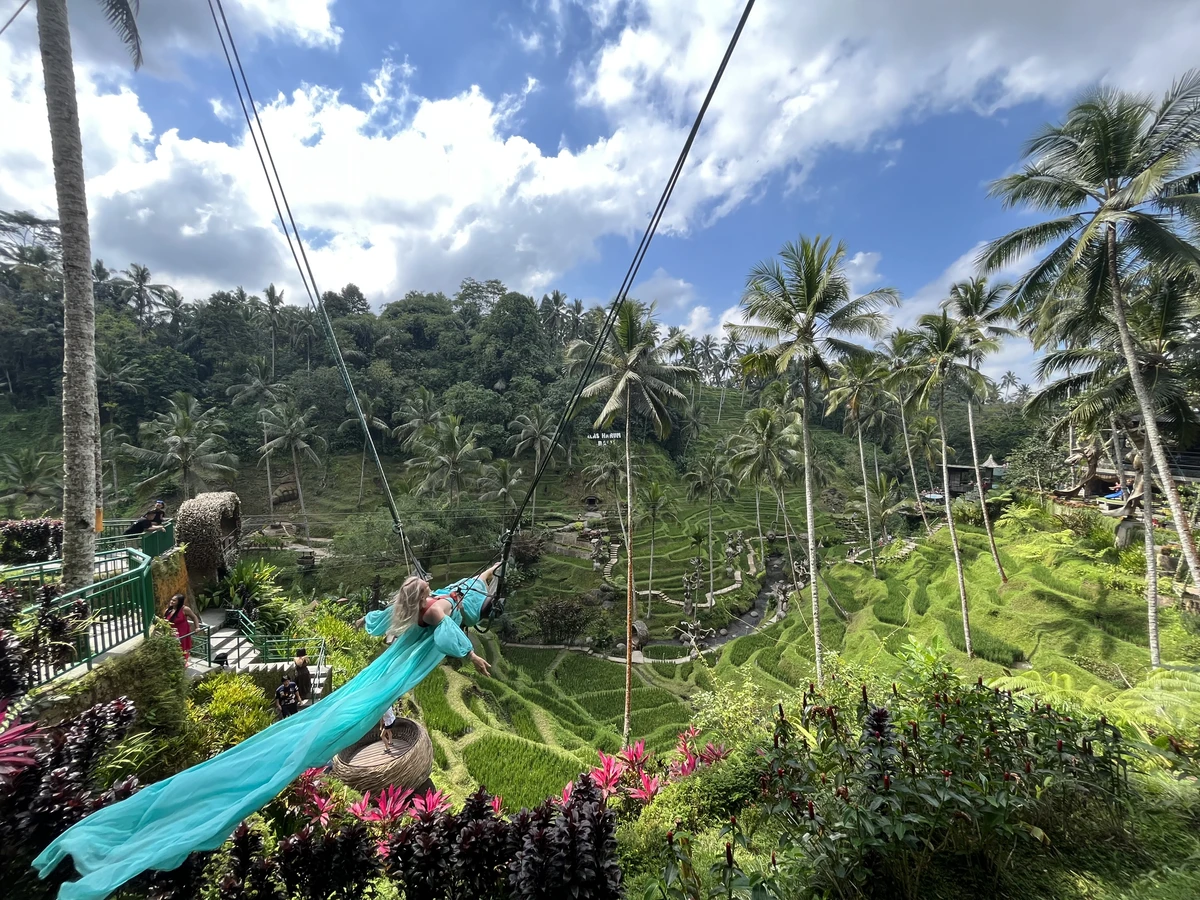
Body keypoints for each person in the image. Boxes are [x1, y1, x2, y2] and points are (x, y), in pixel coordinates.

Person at [35, 562, 505, 900]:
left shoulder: (421, 604)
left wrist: (485, 573)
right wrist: (474, 656)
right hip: (388, 678)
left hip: (380, 671)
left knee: (326, 721)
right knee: (327, 731)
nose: (437, 593)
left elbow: (419, 605)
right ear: (424, 598)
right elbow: (450, 638)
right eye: (431, 592)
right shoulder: (435, 613)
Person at [164, 594, 199, 664]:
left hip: (182, 632)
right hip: (172, 633)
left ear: (179, 602)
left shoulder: (185, 609)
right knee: (173, 648)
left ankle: (183, 663)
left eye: (174, 600)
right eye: (171, 600)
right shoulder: (168, 610)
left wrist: (197, 627)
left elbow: (194, 617)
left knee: (182, 648)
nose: (171, 601)